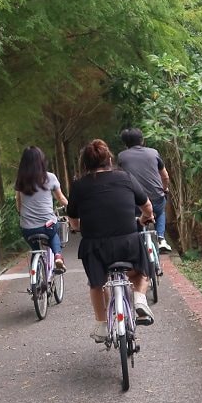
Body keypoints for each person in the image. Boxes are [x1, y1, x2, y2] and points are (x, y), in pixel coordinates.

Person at [66, 138, 155, 342]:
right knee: (141, 273)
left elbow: (73, 219)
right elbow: (147, 206)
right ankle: (140, 299)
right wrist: (144, 218)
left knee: (97, 283)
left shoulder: (79, 186)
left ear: (85, 164)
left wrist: (79, 227)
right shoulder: (125, 177)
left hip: (95, 248)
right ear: (109, 159)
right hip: (128, 244)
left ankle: (101, 325)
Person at [14, 146, 69, 273]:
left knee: (35, 249)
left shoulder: (20, 180)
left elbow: (19, 204)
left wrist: (22, 214)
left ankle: (36, 275)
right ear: (41, 161)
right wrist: (71, 208)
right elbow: (61, 198)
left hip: (27, 228)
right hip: (47, 225)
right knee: (54, 233)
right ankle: (57, 256)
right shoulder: (49, 177)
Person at [117, 128, 172, 252]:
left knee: (135, 217)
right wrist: (164, 189)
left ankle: (137, 243)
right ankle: (161, 238)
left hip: (134, 200)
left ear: (125, 143)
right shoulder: (153, 153)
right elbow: (165, 176)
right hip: (156, 198)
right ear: (142, 140)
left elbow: (120, 178)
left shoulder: (122, 156)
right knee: (160, 211)